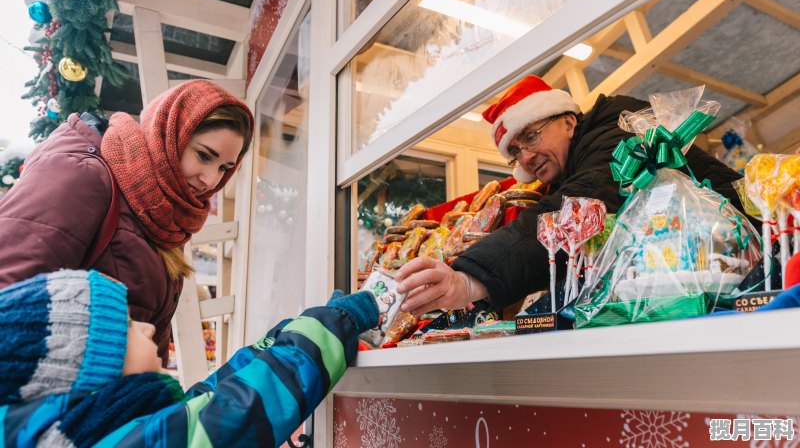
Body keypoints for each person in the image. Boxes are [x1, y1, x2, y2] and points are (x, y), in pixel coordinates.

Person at [396, 75, 745, 315]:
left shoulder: (614, 134)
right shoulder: (570, 164)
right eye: (515, 152)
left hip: (742, 263)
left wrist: (469, 278)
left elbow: (574, 208)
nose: (526, 158)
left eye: (531, 137)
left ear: (568, 122)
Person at [0, 80, 254, 365]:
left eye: (224, 168)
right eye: (204, 155)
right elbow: (9, 291)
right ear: (167, 135)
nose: (211, 180)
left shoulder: (164, 216)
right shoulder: (83, 175)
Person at [0, 269, 378, 447]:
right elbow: (239, 412)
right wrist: (336, 322)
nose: (147, 329)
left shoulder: (95, 430)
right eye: (129, 327)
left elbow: (208, 400)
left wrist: (290, 334)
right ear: (97, 368)